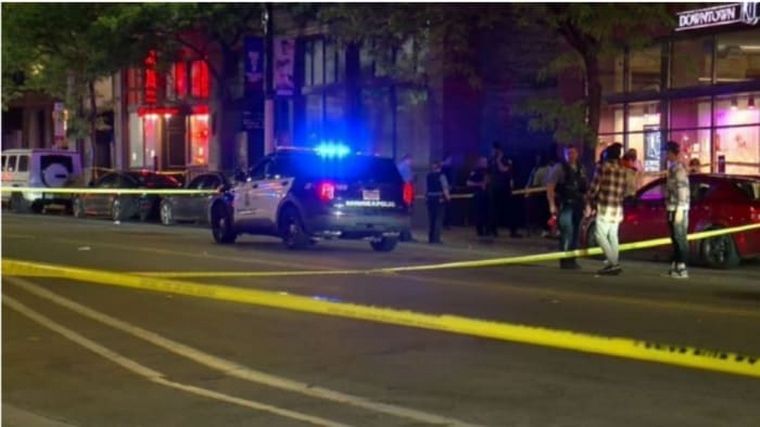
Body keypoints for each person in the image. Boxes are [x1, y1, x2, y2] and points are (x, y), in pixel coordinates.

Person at [585, 143, 636, 276]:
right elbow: (626, 190)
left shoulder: (602, 167)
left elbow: (594, 187)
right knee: (613, 235)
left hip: (604, 206)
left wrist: (588, 199)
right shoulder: (623, 170)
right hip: (617, 207)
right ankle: (613, 262)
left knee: (599, 235)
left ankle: (613, 263)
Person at [546, 145, 588, 269]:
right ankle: (564, 259)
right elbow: (550, 187)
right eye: (568, 153)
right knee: (567, 231)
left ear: (577, 154)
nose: (571, 155)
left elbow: (585, 188)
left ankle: (572, 259)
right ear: (564, 155)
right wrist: (552, 204)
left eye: (573, 153)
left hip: (578, 204)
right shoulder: (559, 168)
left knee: (575, 232)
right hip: (565, 204)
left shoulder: (581, 168)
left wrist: (587, 204)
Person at [665, 141, 690, 279]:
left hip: (678, 207)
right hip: (672, 206)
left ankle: (682, 267)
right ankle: (675, 266)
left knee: (679, 237)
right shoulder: (673, 168)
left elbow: (682, 190)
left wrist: (680, 209)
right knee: (675, 237)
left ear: (672, 153)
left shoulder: (678, 170)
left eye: (667, 152)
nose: (666, 155)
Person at [488, 143, 521, 238]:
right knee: (493, 210)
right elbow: (489, 172)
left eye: (494, 150)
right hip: (494, 188)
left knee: (509, 210)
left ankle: (513, 231)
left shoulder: (507, 159)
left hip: (504, 188)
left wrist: (499, 161)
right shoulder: (491, 160)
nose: (492, 152)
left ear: (499, 150)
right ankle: (493, 230)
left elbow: (504, 169)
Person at [426, 161, 451, 244]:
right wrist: (448, 198)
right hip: (439, 199)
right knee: (438, 219)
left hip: (430, 199)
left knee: (432, 219)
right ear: (440, 167)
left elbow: (427, 188)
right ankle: (436, 239)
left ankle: (431, 238)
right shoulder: (441, 176)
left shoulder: (429, 176)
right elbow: (445, 188)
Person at [466, 157, 490, 237]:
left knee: (488, 213)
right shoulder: (475, 172)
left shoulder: (489, 171)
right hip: (479, 194)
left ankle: (489, 230)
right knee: (479, 213)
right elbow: (468, 183)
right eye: (482, 162)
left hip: (488, 194)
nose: (484, 163)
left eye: (485, 162)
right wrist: (479, 184)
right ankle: (480, 230)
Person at [397, 154, 416, 242]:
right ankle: (406, 236)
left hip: (400, 196)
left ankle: (402, 235)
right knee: (406, 216)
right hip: (406, 197)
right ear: (407, 159)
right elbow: (408, 182)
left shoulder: (398, 167)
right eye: (410, 161)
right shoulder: (406, 169)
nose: (411, 163)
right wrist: (409, 201)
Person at [441, 152, 455, 229]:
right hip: (444, 190)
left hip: (448, 190)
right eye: (449, 160)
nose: (450, 161)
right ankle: (445, 223)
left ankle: (447, 223)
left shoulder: (450, 169)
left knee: (448, 208)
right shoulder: (443, 169)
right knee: (445, 208)